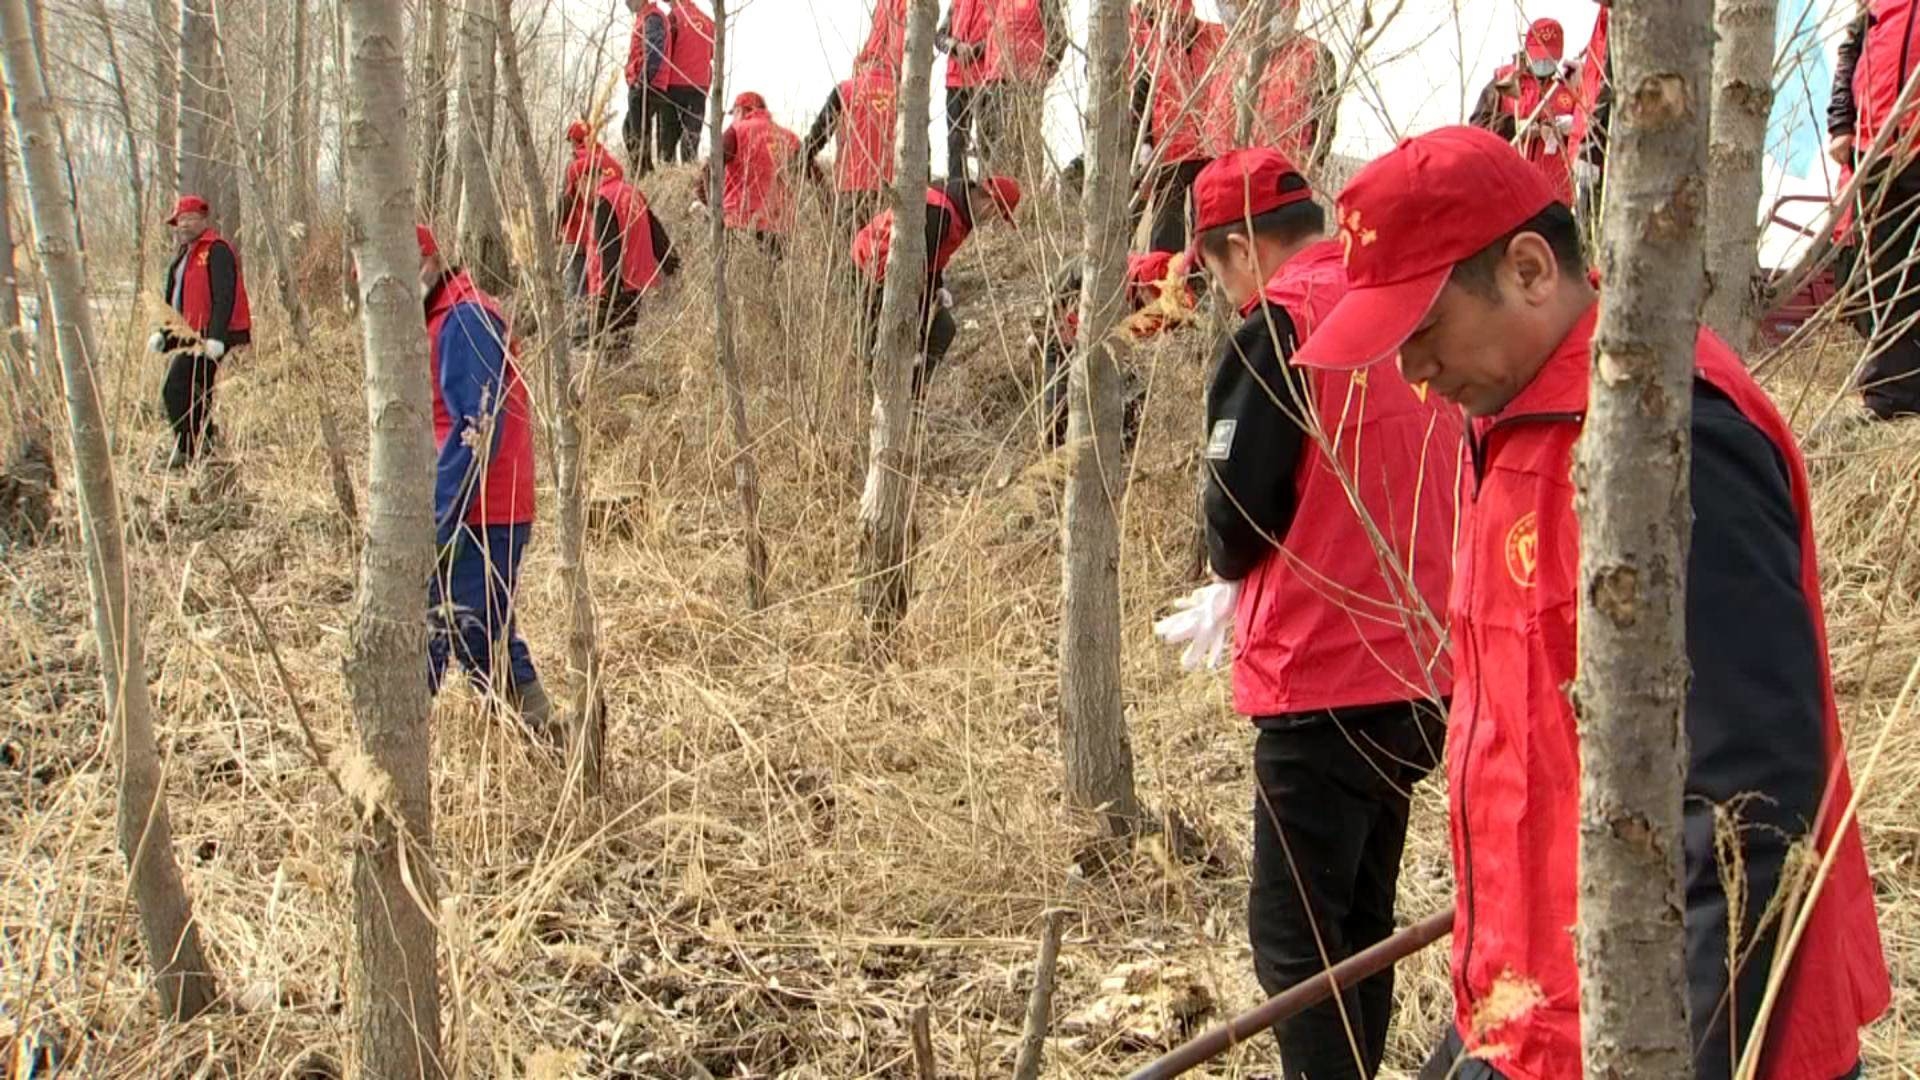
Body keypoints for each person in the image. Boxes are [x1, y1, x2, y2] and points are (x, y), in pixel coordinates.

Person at [1284, 125, 1890, 1080]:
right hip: (1533, 1010)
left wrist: (1692, 1056)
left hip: (1672, 1035)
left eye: (1423, 331)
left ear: (1529, 269)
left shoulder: (1670, 431)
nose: (1412, 374)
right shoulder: (1511, 423)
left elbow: (1750, 807)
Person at [1164, 147, 1457, 1079]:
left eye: (1213, 267)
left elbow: (1237, 516)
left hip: (1322, 680)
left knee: (1295, 946)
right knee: (1363, 924)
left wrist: (1223, 573)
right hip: (1422, 674)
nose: (1219, 289)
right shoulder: (1401, 309)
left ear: (1241, 247)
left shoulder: (1276, 328)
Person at [415, 224, 550, 733]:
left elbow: (477, 428)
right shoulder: (446, 313)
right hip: (474, 507)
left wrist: (439, 519)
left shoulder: (465, 318)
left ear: (427, 262)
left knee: (466, 630)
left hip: (484, 510)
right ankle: (552, 744)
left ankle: (556, 743)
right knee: (479, 633)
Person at [1829, 2, 1920, 419]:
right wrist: (1841, 123)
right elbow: (1851, 48)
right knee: (1880, 276)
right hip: (1875, 144)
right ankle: (1890, 399)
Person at [850, 174, 1021, 393]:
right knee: (876, 348)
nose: (992, 221)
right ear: (990, 202)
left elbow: (931, 259)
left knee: (942, 328)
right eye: (998, 214)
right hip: (872, 269)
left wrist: (938, 287)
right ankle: (886, 396)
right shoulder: (941, 213)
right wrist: (923, 308)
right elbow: (909, 270)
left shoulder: (958, 210)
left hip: (891, 271)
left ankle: (910, 391)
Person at [1032, 250, 1197, 448]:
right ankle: (1054, 443)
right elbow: (1050, 296)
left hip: (1114, 349)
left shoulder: (1173, 295)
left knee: (1133, 391)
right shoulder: (1102, 267)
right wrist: (1050, 326)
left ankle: (1119, 447)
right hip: (1071, 336)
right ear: (1143, 285)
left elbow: (1183, 330)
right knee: (1058, 406)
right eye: (1152, 300)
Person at [148, 195, 250, 469]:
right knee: (197, 390)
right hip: (189, 333)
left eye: (190, 219)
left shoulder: (216, 250)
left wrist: (216, 336)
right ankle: (203, 444)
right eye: (180, 220)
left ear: (203, 220)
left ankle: (186, 448)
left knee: (174, 388)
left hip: (210, 335)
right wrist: (164, 334)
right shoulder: (184, 255)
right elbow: (175, 302)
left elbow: (224, 296)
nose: (184, 225)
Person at [1131, 0, 1227, 253]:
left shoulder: (1218, 37)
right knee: (1167, 223)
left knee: (1209, 220)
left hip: (1211, 147)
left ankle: (1202, 278)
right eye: (1172, 21)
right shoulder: (1153, 47)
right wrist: (1144, 144)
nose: (1179, 27)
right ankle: (1162, 276)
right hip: (1169, 148)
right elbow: (1140, 100)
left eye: (1183, 19)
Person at [1205, 1, 1339, 173]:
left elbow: (1323, 127)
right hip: (1222, 173)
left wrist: (1309, 170)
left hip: (1281, 178)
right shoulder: (1223, 49)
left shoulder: (1313, 56)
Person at [1470, 18, 1580, 206]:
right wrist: (1515, 127)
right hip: (1506, 190)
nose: (1544, 63)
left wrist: (1575, 125)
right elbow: (1478, 125)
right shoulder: (1504, 81)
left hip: (1553, 197)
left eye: (1550, 58)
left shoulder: (1569, 86)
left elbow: (1589, 132)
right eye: (1539, 57)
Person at [697, 92, 802, 258]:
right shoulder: (790, 138)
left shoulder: (736, 131)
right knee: (772, 280)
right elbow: (812, 175)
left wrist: (708, 202)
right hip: (779, 226)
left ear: (742, 111)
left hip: (739, 222)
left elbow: (709, 169)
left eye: (734, 114)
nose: (733, 119)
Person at [802, 60, 900, 237]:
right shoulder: (902, 93)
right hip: (892, 190)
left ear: (861, 65)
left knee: (851, 251)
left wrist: (801, 158)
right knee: (884, 252)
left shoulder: (846, 89)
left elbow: (820, 132)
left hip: (852, 185)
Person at [975, 0, 1066, 181]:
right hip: (993, 80)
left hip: (1024, 84)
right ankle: (993, 197)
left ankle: (1024, 200)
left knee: (1020, 148)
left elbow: (1059, 38)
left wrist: (1042, 72)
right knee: (990, 147)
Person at [587, 173, 680, 339]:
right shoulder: (631, 192)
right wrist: (671, 262)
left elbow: (609, 247)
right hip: (633, 281)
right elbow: (655, 230)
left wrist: (611, 289)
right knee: (624, 340)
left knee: (609, 346)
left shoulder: (603, 200)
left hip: (613, 287)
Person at [558, 120, 623, 299]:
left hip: (578, 237)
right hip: (604, 237)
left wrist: (553, 227)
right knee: (600, 290)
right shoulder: (608, 161)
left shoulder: (574, 164)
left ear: (574, 140)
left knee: (577, 294)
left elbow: (566, 200)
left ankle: (580, 325)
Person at [938, 0, 995, 179]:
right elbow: (939, 37)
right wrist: (955, 46)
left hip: (987, 80)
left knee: (988, 147)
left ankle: (987, 198)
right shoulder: (957, 2)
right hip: (956, 82)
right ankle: (956, 197)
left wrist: (978, 49)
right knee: (956, 145)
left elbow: (1003, 35)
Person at [657, 0, 715, 164]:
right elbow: (711, 53)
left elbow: (664, 51)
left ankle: (666, 175)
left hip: (674, 85)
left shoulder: (673, 17)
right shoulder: (708, 21)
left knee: (668, 138)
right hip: (699, 86)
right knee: (692, 136)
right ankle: (689, 176)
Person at [623, 0, 671, 174]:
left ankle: (641, 173)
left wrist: (642, 81)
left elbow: (654, 51)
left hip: (648, 84)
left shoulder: (652, 17)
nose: (626, 3)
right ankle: (644, 170)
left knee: (636, 131)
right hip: (645, 83)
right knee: (631, 128)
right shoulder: (645, 16)